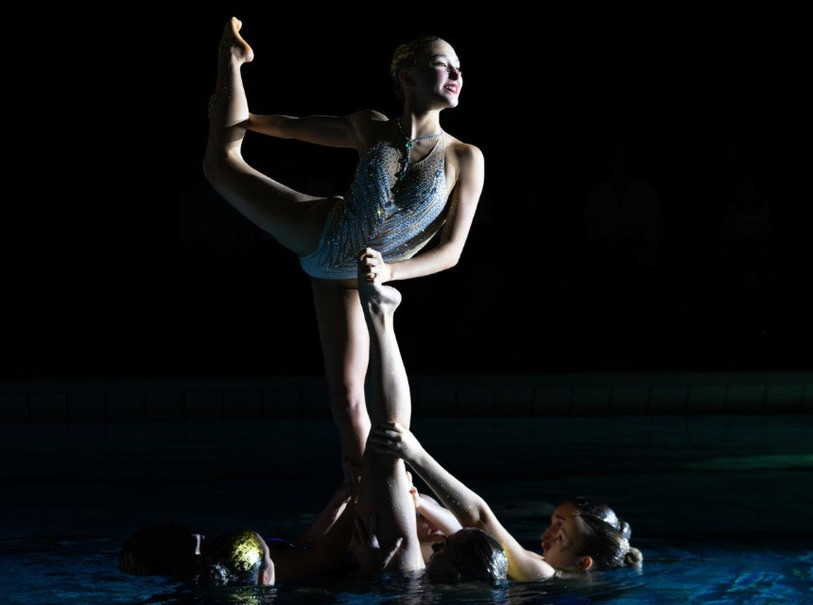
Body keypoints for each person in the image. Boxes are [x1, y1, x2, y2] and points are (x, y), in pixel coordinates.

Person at [202, 16, 484, 488]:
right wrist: (227, 111)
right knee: (220, 162)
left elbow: (453, 251)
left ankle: (373, 496)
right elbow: (280, 126)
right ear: (408, 77)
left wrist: (389, 271)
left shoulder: (464, 157)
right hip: (320, 236)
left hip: (361, 277)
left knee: (350, 400)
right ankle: (231, 58)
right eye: (442, 64)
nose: (456, 73)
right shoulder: (370, 127)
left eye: (459, 66)